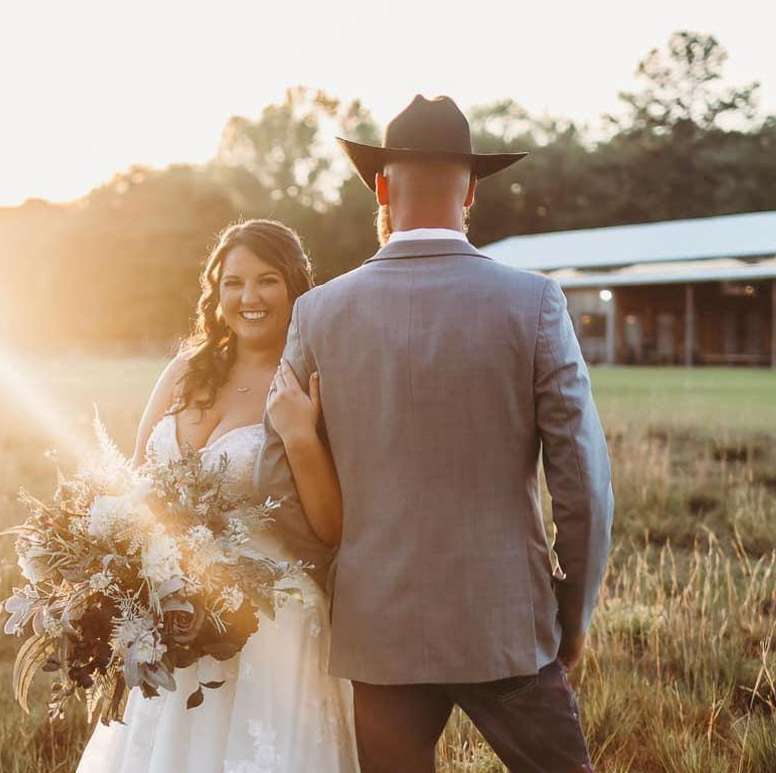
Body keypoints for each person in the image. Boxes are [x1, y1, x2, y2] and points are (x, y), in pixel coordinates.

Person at [255, 94, 614, 773]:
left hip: (376, 626)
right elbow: (583, 481)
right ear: (472, 190)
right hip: (508, 623)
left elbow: (278, 483)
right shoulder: (533, 302)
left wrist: (343, 585)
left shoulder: (317, 313)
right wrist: (574, 609)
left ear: (382, 187)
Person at [75, 218, 359, 772]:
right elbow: (136, 484)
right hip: (173, 613)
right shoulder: (186, 370)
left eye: (267, 280)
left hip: (271, 622)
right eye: (233, 282)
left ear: (296, 286)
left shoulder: (313, 381)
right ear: (216, 290)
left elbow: (332, 528)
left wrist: (300, 435)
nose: (248, 297)